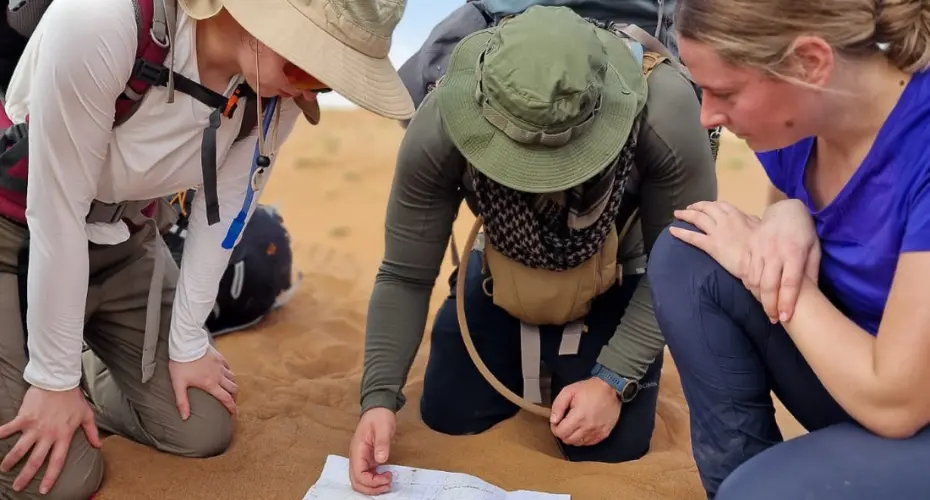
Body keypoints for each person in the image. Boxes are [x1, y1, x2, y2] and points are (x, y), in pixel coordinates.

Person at [0, 0, 413, 498]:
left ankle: (84, 355)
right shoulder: (101, 22)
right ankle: (45, 359)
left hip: (124, 241)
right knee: (58, 481)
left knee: (200, 426)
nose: (307, 90)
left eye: (327, 79)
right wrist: (53, 380)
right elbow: (56, 211)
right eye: (308, 63)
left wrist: (188, 342)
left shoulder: (272, 94)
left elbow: (225, 214)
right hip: (15, 233)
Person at [349, 5, 716, 495]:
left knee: (611, 448)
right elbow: (404, 273)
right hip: (498, 267)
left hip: (619, 277)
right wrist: (377, 399)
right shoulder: (441, 119)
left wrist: (613, 379)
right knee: (448, 414)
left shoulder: (663, 108)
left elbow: (680, 269)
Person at [646, 0, 930, 498]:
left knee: (761, 491)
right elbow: (789, 204)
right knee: (689, 254)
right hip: (853, 378)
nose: (707, 116)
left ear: (810, 63)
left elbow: (899, 405)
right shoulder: (798, 120)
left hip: (906, 406)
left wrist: (788, 283)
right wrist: (785, 213)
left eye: (726, 92)